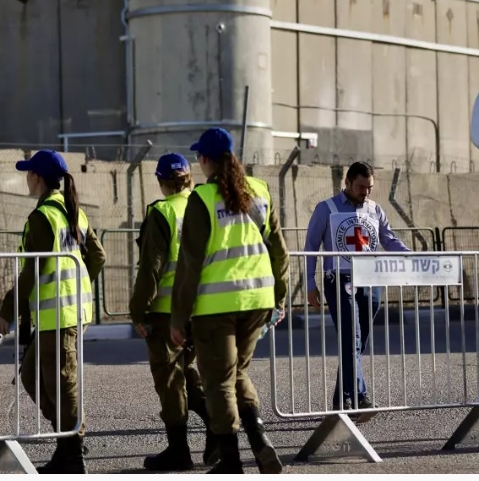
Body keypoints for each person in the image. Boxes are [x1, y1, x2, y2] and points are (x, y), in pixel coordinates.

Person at [169, 128, 289, 474]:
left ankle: (231, 461)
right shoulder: (261, 191)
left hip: (216, 305)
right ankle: (261, 442)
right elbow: (280, 254)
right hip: (258, 300)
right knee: (237, 372)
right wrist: (278, 299)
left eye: (199, 158)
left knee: (218, 380)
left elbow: (190, 264)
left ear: (205, 160)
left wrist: (179, 317)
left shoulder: (202, 199)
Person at [0, 149, 106, 474]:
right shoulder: (72, 211)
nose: (26, 178)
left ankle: (72, 455)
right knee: (31, 377)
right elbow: (96, 258)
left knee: (61, 384)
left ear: (38, 177)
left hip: (59, 316)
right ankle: (68, 440)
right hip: (63, 314)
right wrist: (80, 283)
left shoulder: (43, 216)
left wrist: (7, 311)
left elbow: (32, 271)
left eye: (29, 173)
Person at [130, 152, 218, 471]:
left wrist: (138, 311)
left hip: (167, 311)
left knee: (169, 379)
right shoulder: (205, 206)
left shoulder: (163, 212)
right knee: (186, 371)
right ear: (189, 177)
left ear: (161, 181)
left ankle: (179, 450)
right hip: (204, 307)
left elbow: (151, 268)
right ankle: (216, 428)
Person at [304, 161, 410, 411]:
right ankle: (359, 396)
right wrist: (310, 283)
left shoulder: (375, 209)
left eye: (370, 187)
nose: (366, 192)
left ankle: (343, 398)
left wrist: (413, 258)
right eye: (361, 187)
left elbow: (389, 240)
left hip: (371, 281)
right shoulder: (326, 209)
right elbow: (310, 247)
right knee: (352, 337)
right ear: (347, 183)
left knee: (359, 340)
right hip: (340, 281)